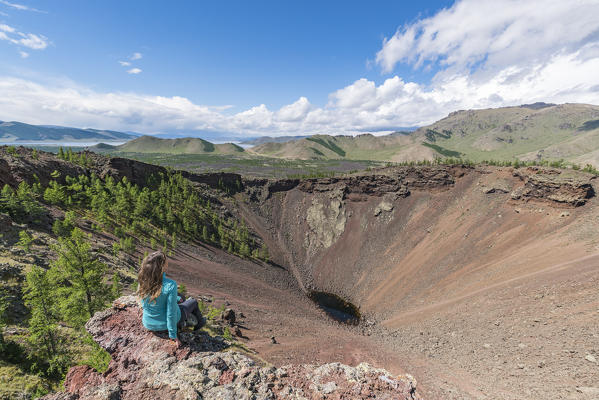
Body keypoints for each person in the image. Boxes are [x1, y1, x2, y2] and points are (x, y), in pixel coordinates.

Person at [137, 251, 204, 348]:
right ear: (162, 266)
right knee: (193, 302)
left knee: (180, 297)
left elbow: (145, 300)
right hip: (164, 325)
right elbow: (171, 313)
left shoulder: (142, 280)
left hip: (148, 323)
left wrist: (175, 298)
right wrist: (173, 335)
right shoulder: (170, 285)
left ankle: (186, 320)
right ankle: (199, 324)